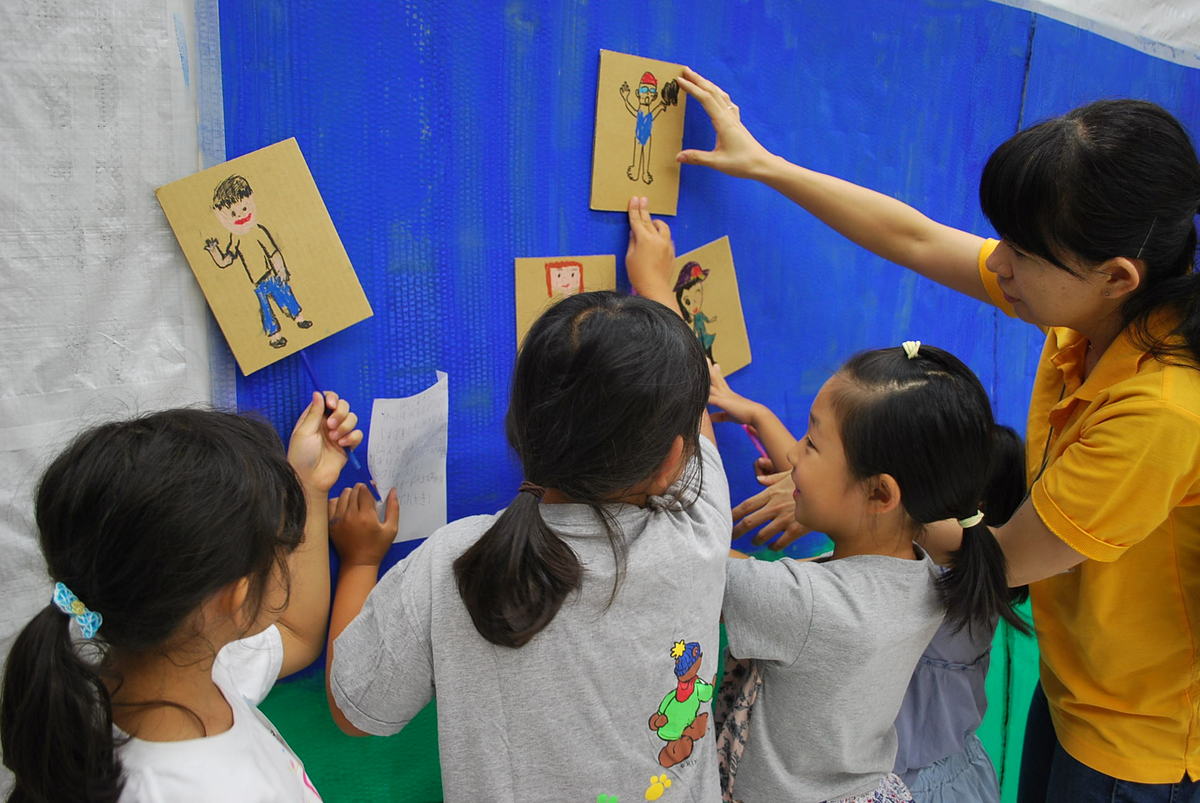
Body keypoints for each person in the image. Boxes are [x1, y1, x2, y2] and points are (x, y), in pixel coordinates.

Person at [677, 67, 1200, 799]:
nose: (998, 264)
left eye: (1024, 253)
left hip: (1137, 735)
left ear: (1117, 277)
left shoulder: (1162, 412)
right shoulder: (1089, 317)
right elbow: (915, 237)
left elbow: (999, 559)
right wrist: (764, 164)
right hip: (1078, 687)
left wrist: (836, 499)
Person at [326, 199, 729, 802]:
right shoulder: (699, 529)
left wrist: (360, 561)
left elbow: (353, 710)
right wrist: (655, 284)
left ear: (517, 421)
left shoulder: (454, 561)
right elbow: (694, 423)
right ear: (675, 463)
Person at [0, 393, 364, 802]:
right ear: (238, 594)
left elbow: (295, 634)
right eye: (284, 541)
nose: (289, 551)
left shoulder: (171, 663)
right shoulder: (209, 786)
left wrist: (308, 486)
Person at [707, 342, 1025, 802]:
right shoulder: (923, 575)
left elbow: (695, 564)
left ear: (880, 494)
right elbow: (841, 489)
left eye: (811, 444)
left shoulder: (808, 604)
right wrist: (758, 416)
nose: (793, 459)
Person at [204, 174, 313, 349]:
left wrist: (281, 270)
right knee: (266, 308)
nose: (240, 215)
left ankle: (299, 318)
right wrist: (214, 251)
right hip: (258, 283)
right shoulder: (235, 238)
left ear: (251, 200)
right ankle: (275, 336)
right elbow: (225, 261)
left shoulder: (258, 231)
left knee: (285, 295)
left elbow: (273, 253)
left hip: (271, 276)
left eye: (244, 208)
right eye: (233, 213)